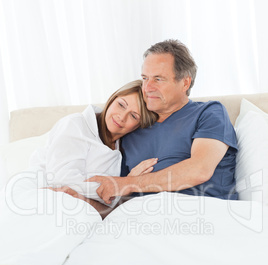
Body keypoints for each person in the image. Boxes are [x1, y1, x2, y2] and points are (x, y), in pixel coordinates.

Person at [87, 39, 238, 205]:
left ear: (185, 83)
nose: (147, 87)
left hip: (202, 213)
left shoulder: (209, 113)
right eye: (145, 78)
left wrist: (127, 184)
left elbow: (199, 169)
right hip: (143, 220)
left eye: (158, 79)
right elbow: (116, 199)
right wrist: (77, 198)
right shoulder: (133, 127)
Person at [29, 80, 158, 216]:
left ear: (139, 124)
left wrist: (123, 185)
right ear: (113, 99)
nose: (121, 117)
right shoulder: (75, 125)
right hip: (41, 198)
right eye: (121, 105)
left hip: (80, 213)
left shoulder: (125, 147)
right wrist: (122, 185)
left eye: (133, 116)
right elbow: (63, 181)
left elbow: (107, 205)